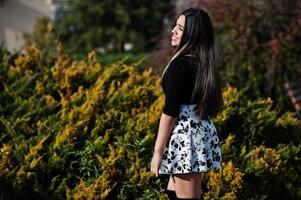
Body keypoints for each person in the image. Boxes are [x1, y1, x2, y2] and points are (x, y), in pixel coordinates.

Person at [150, 8, 223, 200]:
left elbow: (170, 112)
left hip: (185, 140)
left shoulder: (180, 65)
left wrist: (157, 153)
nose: (173, 30)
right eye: (176, 25)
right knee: (174, 193)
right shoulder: (204, 64)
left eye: (180, 28)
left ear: (192, 34)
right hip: (197, 134)